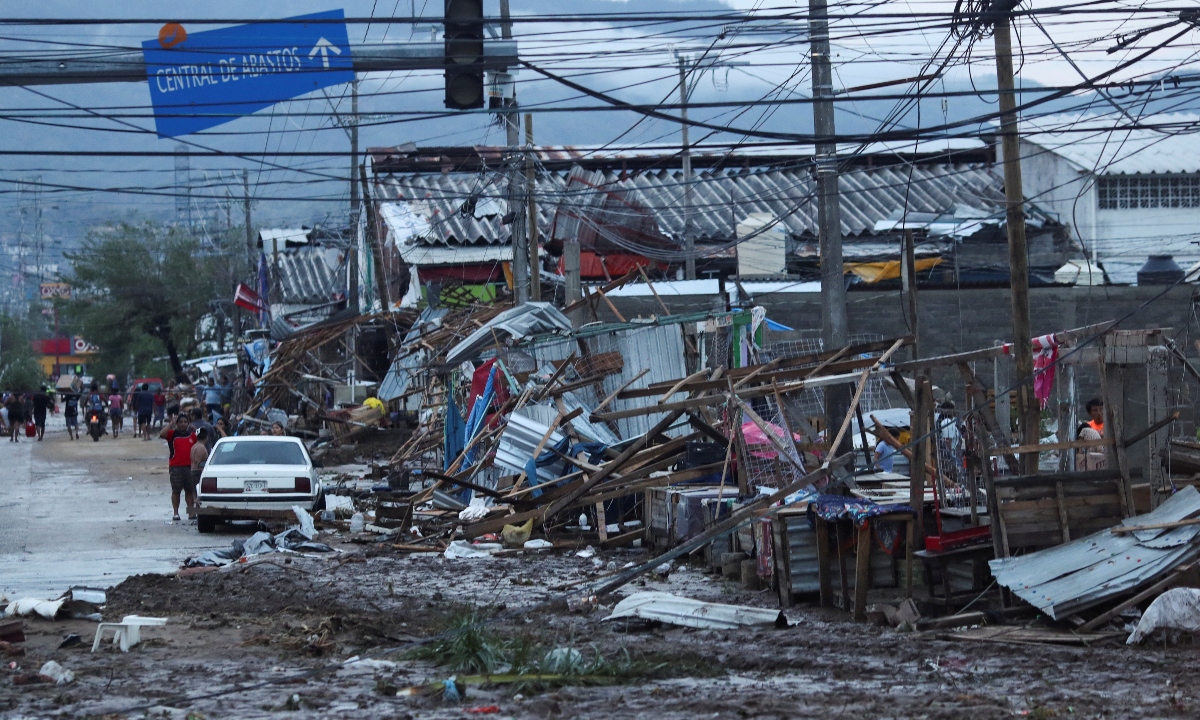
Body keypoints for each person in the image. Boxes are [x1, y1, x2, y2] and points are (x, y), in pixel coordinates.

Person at [160, 413, 198, 522]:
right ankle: (176, 513)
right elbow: (162, 434)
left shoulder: (192, 435)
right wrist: (171, 423)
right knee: (176, 491)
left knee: (189, 491)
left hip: (189, 467)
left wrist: (194, 429)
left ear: (188, 423)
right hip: (175, 467)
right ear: (177, 423)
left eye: (185, 422)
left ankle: (191, 513)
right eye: (180, 422)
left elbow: (203, 438)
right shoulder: (172, 434)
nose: (183, 424)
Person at [190, 426, 210, 503]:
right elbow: (197, 462)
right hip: (198, 472)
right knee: (197, 494)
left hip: (193, 470)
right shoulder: (201, 447)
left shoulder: (194, 446)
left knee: (195, 494)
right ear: (206, 437)